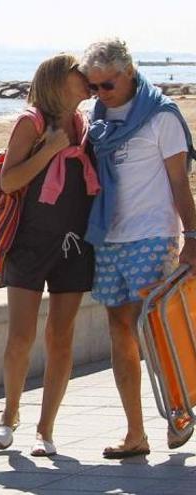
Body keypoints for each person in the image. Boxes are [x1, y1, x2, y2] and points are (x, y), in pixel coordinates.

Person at [80, 39, 196, 458]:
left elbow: (180, 183)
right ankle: (135, 433)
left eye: (106, 85)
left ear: (128, 72)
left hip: (152, 233)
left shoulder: (161, 116)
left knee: (157, 325)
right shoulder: (94, 117)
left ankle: (179, 411)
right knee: (119, 328)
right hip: (109, 235)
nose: (100, 94)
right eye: (93, 87)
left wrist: (193, 239)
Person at [0, 53, 97, 457]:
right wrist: (51, 149)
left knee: (61, 337)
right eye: (78, 72)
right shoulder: (31, 122)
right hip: (29, 244)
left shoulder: (85, 126)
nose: (86, 77)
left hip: (74, 243)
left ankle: (45, 429)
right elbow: (10, 179)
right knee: (21, 336)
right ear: (56, 79)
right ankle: (8, 414)